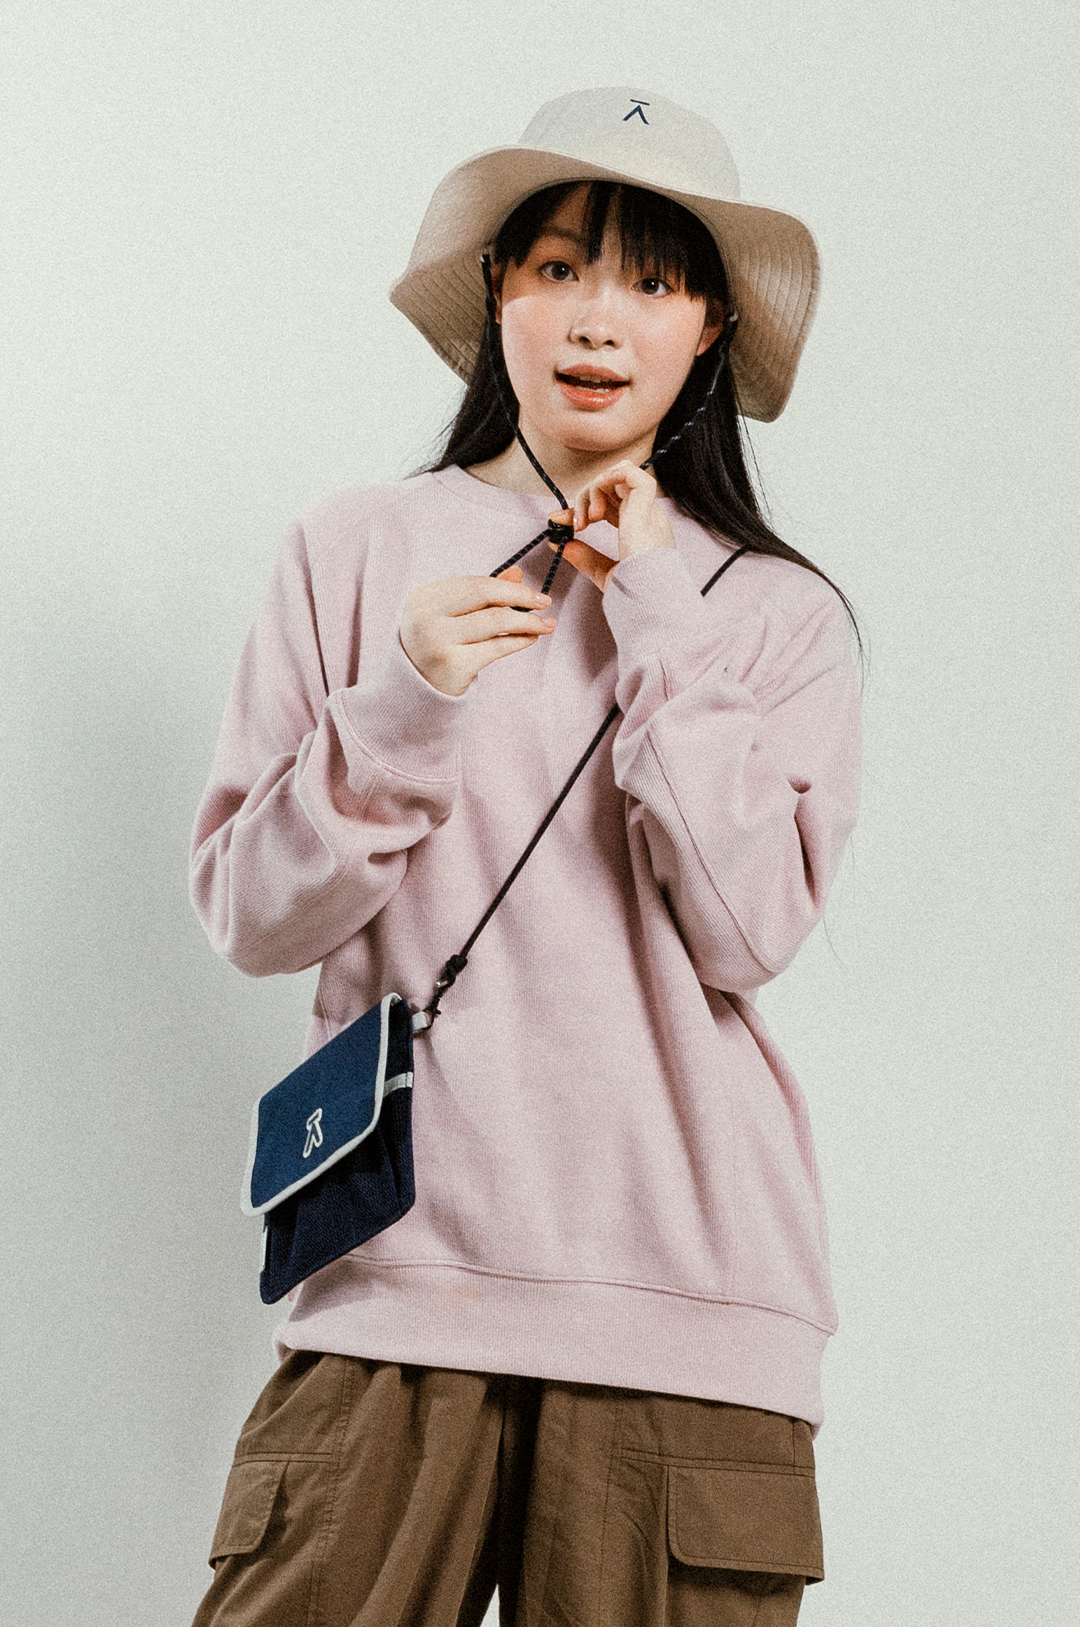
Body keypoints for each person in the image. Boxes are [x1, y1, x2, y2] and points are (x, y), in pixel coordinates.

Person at [189, 86, 862, 1628]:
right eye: (557, 267)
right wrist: (403, 704)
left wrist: (661, 616)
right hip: (393, 1289)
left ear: (709, 327)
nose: (596, 317)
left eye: (652, 280)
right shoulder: (356, 549)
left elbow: (750, 927)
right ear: (498, 289)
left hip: (689, 1307)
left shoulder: (774, 613)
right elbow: (249, 912)